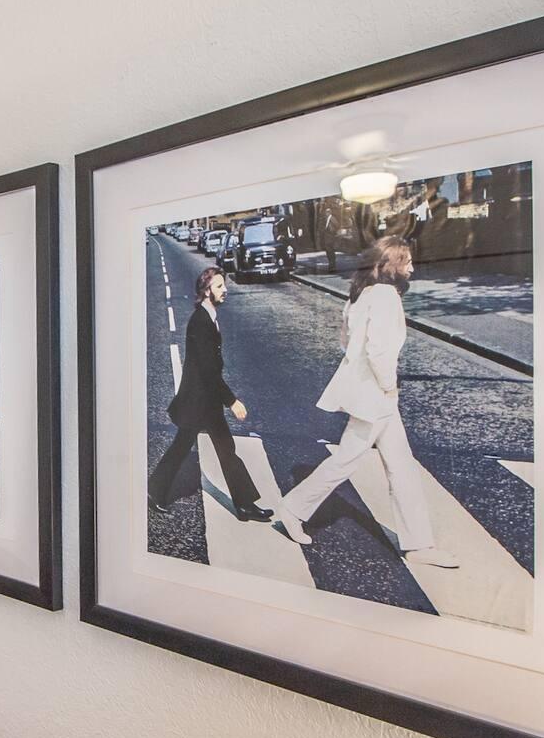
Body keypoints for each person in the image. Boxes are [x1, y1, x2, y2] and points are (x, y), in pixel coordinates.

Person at [278, 236, 458, 568]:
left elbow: (346, 341)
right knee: (349, 460)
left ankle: (418, 544)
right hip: (378, 396)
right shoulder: (388, 296)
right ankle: (292, 510)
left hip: (370, 394)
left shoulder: (359, 295)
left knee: (400, 467)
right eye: (406, 263)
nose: (412, 268)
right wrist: (389, 387)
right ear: (390, 266)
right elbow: (379, 351)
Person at [147, 267, 272, 522]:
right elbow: (208, 371)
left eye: (223, 285)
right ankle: (156, 491)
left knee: (227, 449)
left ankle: (245, 504)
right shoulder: (201, 322)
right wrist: (232, 400)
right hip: (198, 401)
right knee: (181, 448)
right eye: (218, 286)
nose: (224, 289)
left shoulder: (209, 315)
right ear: (205, 291)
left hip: (207, 400)